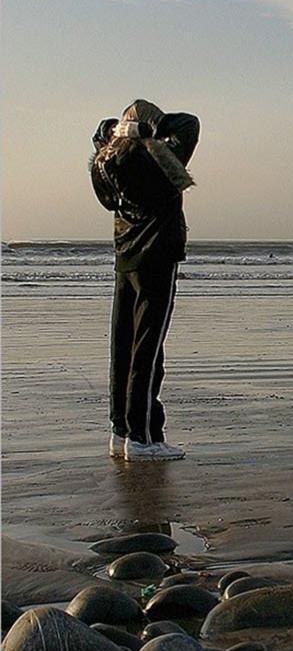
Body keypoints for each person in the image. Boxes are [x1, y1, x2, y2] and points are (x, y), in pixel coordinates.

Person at [90, 99, 200, 461]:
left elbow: (99, 132)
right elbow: (189, 123)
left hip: (126, 258)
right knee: (148, 351)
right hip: (157, 255)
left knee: (123, 345)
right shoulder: (157, 157)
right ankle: (144, 436)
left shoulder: (108, 160)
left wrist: (119, 130)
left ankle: (120, 431)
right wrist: (150, 125)